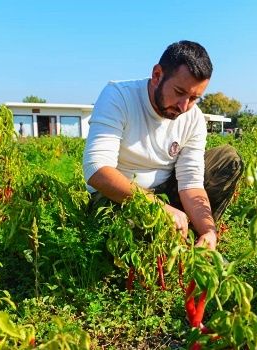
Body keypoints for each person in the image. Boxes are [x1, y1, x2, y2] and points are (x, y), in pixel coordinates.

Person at [83, 40, 242, 250]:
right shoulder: (119, 97)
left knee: (227, 159)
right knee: (127, 234)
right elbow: (97, 171)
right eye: (179, 92)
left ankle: (194, 239)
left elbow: (191, 183)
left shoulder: (193, 118)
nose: (184, 106)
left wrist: (208, 230)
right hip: (118, 198)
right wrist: (159, 208)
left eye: (194, 98)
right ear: (157, 75)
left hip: (166, 193)